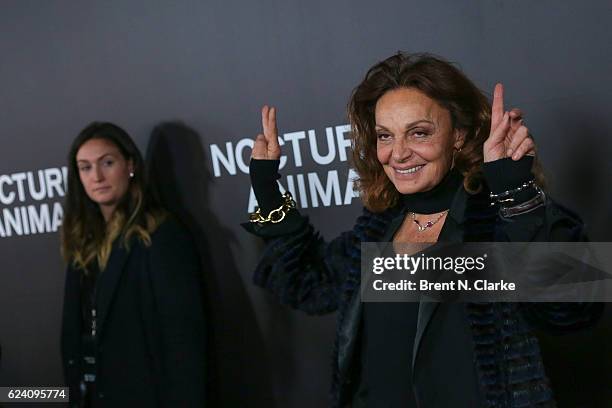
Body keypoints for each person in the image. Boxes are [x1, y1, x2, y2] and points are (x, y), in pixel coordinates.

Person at [243, 53, 603, 407]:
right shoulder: (379, 227)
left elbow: (572, 308)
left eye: (418, 133)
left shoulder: (494, 221)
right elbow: (310, 283)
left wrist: (514, 192)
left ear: (458, 135)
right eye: (385, 136)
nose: (398, 154)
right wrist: (267, 189)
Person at [60, 122, 206, 407]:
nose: (97, 176)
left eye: (107, 163)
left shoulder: (160, 236)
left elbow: (183, 342)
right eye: (85, 167)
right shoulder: (82, 244)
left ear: (130, 165)